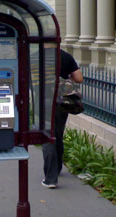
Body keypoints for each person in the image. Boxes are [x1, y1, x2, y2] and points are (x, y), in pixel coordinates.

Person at [41, 49, 83, 189]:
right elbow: (79, 78)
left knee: (47, 136)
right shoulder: (65, 56)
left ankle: (50, 178)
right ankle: (58, 167)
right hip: (61, 101)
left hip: (42, 100)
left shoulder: (37, 56)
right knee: (58, 133)